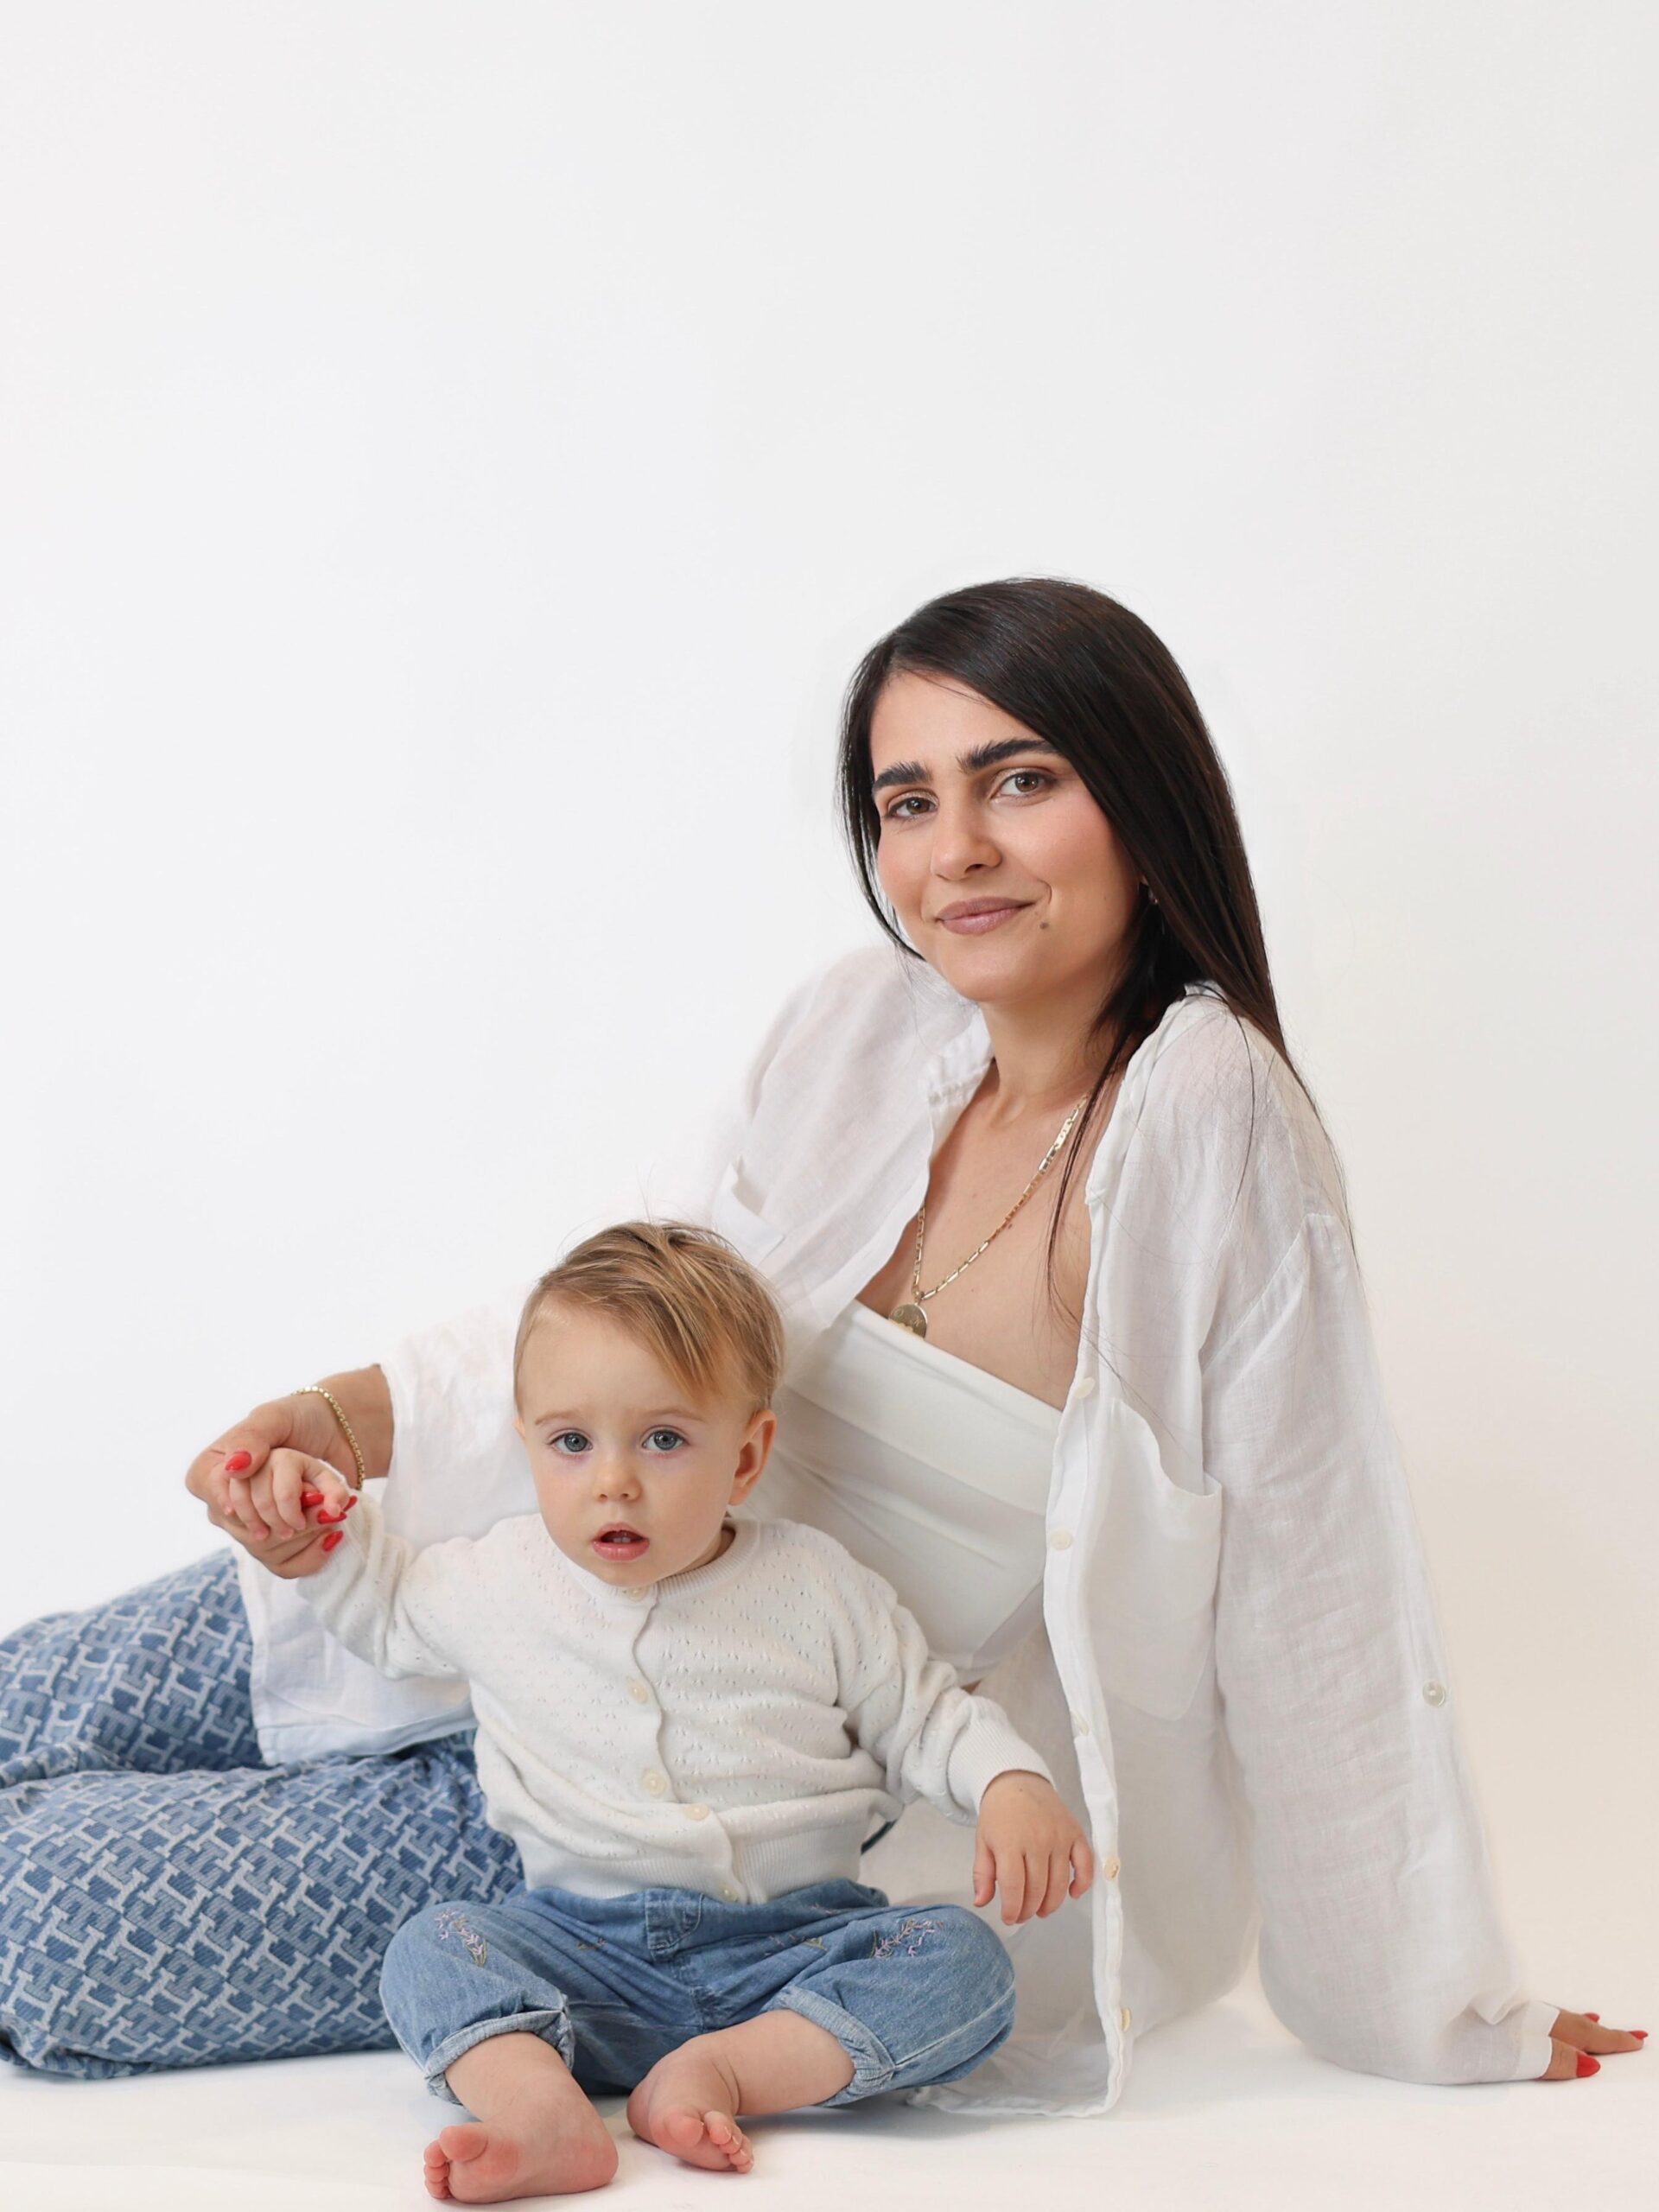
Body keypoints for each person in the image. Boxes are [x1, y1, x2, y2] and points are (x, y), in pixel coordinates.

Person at [0, 579, 1641, 2100]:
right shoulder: (866, 1026)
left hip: (620, 1837)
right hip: (468, 1565)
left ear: (1144, 802)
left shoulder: (1207, 1114)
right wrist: (338, 1419)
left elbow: (1316, 1574)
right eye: (906, 802)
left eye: (1019, 781)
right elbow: (618, 1301)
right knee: (29, 1699)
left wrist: (1435, 2003)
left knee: (43, 1908)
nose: (956, 851)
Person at [251, 1218, 1090, 2199]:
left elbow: (924, 1714)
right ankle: (542, 2111)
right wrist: (320, 1524)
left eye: (664, 1439)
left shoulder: (814, 1583)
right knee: (431, 1950)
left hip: (796, 1952)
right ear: (529, 1446)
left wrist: (1009, 1782)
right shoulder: (498, 1580)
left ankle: (728, 2071)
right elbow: (389, 1611)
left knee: (964, 1963)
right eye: (571, 1442)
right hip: (583, 1957)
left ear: (746, 1456)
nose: (614, 1480)